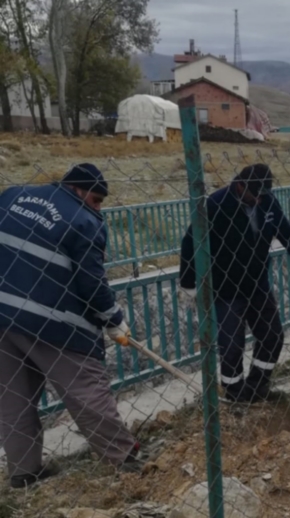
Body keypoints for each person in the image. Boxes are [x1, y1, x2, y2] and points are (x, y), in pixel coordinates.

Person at [0, 164, 141, 488]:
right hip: (52, 322)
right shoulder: (82, 221)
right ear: (77, 189)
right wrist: (114, 321)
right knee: (87, 391)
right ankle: (125, 460)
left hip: (2, 318)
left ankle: (24, 472)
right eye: (95, 200)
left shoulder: (11, 197)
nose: (98, 209)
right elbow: (92, 284)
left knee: (13, 397)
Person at [179, 164, 290, 403]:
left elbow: (286, 233)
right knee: (232, 346)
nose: (260, 200)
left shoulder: (267, 201)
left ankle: (257, 386)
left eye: (264, 195)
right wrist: (188, 283)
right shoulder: (216, 205)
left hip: (257, 284)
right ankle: (234, 394)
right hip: (226, 289)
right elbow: (190, 242)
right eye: (256, 195)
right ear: (241, 186)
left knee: (272, 335)